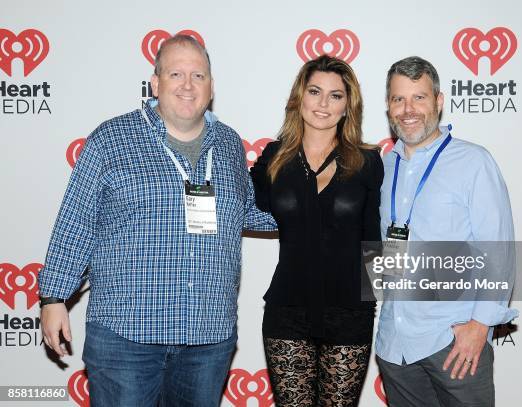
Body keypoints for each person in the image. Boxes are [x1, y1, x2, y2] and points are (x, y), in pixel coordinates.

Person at [38, 35, 275, 406]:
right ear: (155, 83)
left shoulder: (229, 143)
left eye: (198, 76)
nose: (187, 85)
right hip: (126, 338)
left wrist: (322, 204)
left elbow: (247, 210)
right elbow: (77, 220)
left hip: (207, 336)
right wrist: (53, 297)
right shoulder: (111, 138)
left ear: (211, 87)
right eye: (176, 73)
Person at [375, 56, 518, 406]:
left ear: (438, 101)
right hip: (396, 346)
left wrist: (480, 326)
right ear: (388, 107)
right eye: (398, 99)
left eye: (419, 97)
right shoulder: (382, 166)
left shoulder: (473, 162)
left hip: (453, 343)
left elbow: (497, 250)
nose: (408, 109)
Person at [250, 55, 383, 406]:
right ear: (299, 97)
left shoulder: (367, 161)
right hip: (287, 310)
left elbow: (374, 239)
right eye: (315, 91)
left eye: (336, 95)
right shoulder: (274, 157)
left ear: (347, 107)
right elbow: (243, 206)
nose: (323, 103)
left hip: (350, 313)